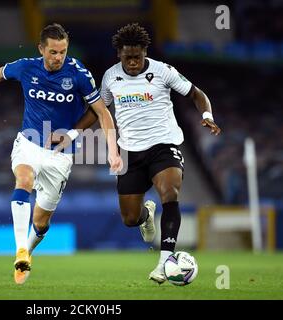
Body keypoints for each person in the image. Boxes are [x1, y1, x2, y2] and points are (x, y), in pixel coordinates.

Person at [0, 23, 123, 285]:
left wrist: (112, 150)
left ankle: (27, 251)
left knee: (41, 223)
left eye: (62, 51)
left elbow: (102, 112)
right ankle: (20, 249)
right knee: (24, 180)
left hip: (60, 154)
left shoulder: (78, 74)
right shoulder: (27, 66)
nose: (58, 57)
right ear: (41, 48)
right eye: (53, 52)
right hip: (29, 142)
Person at [50, 23, 221, 284]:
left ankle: (164, 263)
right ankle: (146, 215)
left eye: (137, 57)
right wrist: (72, 133)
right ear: (119, 53)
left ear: (144, 53)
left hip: (164, 145)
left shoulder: (163, 71)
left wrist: (206, 115)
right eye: (127, 57)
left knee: (170, 193)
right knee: (130, 219)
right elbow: (98, 111)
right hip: (131, 152)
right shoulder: (109, 77)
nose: (132, 62)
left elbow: (197, 94)